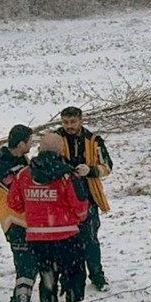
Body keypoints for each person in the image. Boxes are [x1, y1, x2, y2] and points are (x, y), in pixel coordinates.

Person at [9, 133, 100, 302]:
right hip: (67, 235)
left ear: (39, 149)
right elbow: (80, 207)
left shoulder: (24, 174)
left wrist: (35, 210)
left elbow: (14, 203)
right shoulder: (67, 175)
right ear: (60, 150)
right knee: (75, 278)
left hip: (37, 237)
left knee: (47, 279)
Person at [55, 107, 112, 291]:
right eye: (65, 123)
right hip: (62, 199)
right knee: (65, 242)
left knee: (90, 240)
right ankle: (66, 279)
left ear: (81, 120)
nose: (69, 126)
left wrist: (90, 170)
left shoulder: (94, 141)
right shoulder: (55, 139)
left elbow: (107, 167)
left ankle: (97, 276)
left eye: (72, 122)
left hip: (88, 196)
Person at [0, 125, 37, 302]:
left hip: (24, 219)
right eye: (30, 140)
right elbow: (19, 189)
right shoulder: (1, 164)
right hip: (13, 221)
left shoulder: (18, 158)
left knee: (29, 263)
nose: (32, 144)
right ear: (21, 143)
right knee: (26, 264)